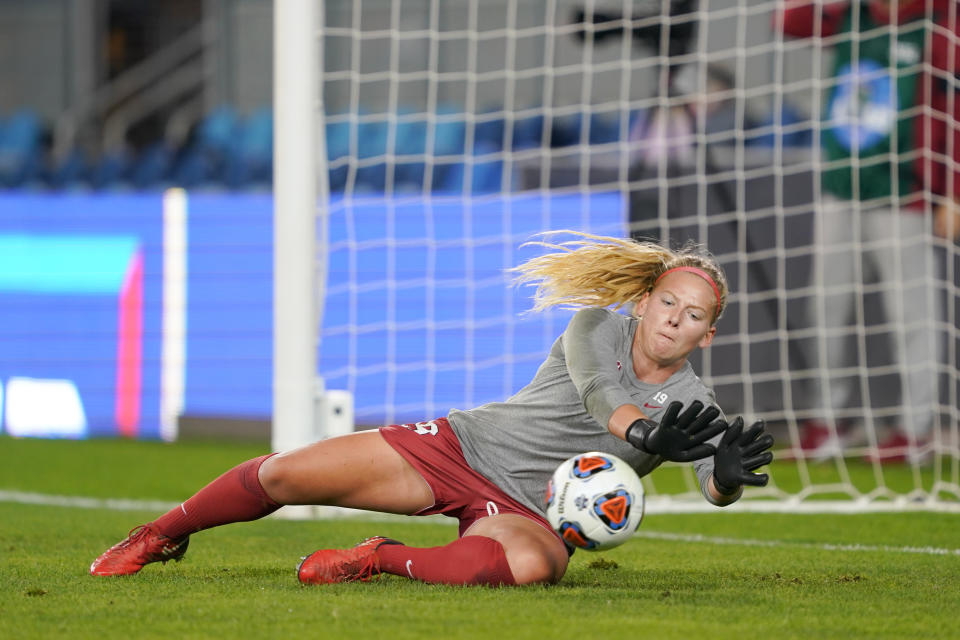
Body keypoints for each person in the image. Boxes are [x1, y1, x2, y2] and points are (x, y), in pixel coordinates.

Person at [89, 232, 774, 586]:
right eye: (668, 305)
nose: (675, 322)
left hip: (534, 515)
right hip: (461, 448)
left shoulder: (696, 403)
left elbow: (710, 489)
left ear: (707, 334)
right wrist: (647, 431)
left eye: (694, 318)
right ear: (643, 301)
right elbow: (604, 397)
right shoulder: (596, 326)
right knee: (286, 476)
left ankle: (375, 559)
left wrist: (727, 478)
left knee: (528, 571)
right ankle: (158, 534)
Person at [779, 0, 960, 462]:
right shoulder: (849, 15)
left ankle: (915, 431)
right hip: (842, 187)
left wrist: (952, 191)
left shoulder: (939, 24)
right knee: (826, 308)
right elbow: (789, 21)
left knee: (912, 317)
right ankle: (829, 421)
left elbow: (953, 107)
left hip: (906, 192)